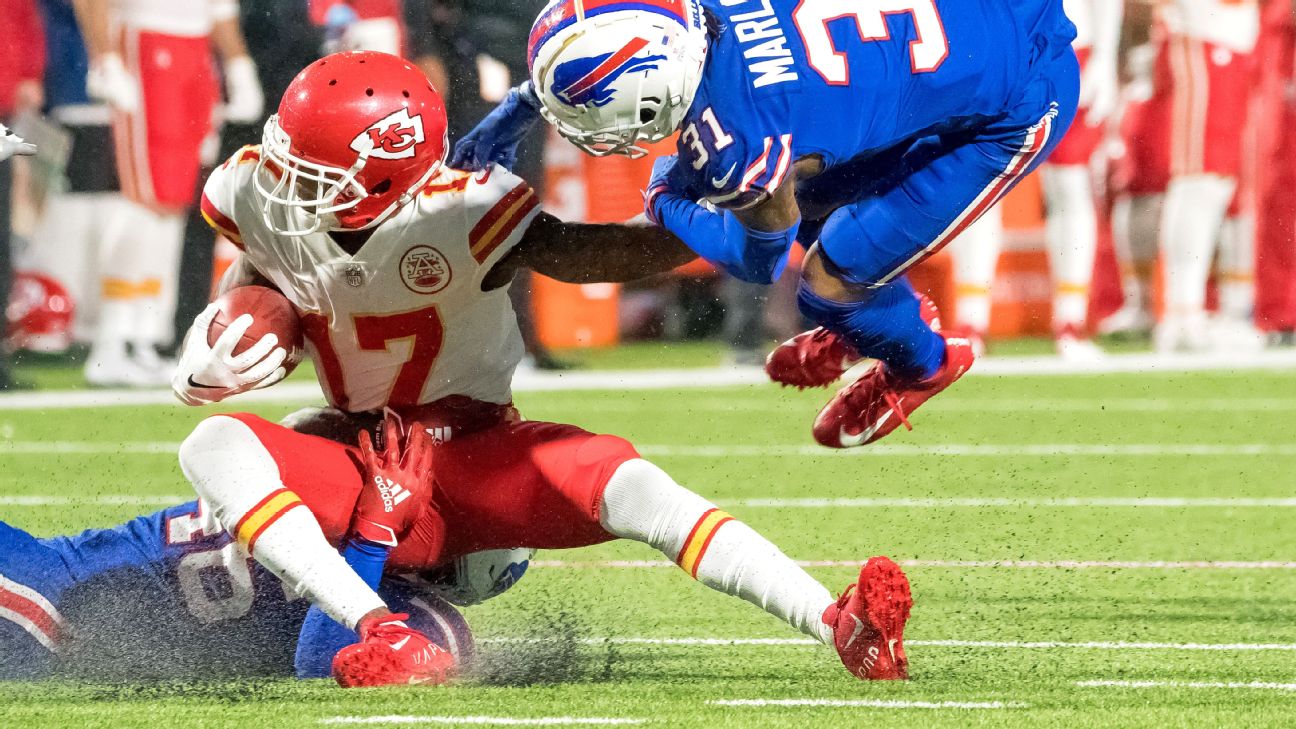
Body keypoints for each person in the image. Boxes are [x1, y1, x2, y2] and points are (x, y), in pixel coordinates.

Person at [173, 50, 912, 688]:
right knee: (211, 440)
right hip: (356, 457)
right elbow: (268, 265)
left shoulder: (463, 207)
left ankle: (840, 624)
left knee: (633, 482)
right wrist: (216, 345)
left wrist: (723, 220)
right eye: (288, 157)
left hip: (471, 461)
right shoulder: (256, 190)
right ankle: (380, 628)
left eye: (312, 170)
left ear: (382, 180)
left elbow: (588, 254)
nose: (283, 181)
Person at [451, 0, 1080, 447]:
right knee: (820, 209)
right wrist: (513, 109)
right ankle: (872, 324)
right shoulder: (700, 18)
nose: (578, 121)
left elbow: (757, 259)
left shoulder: (740, 139)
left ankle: (922, 363)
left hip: (1016, 91)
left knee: (830, 281)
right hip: (972, 27)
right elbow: (621, 30)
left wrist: (666, 196)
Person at [0, 495, 478, 681]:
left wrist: (373, 532)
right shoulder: (427, 616)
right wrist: (372, 539)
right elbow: (317, 665)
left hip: (56, 595)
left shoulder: (344, 496)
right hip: (54, 607)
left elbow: (319, 661)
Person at [73, 0, 263, 386]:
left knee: (174, 200)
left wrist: (238, 61)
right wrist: (104, 56)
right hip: (145, 41)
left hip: (195, 53)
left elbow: (218, 7)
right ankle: (112, 337)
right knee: (144, 199)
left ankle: (145, 334)